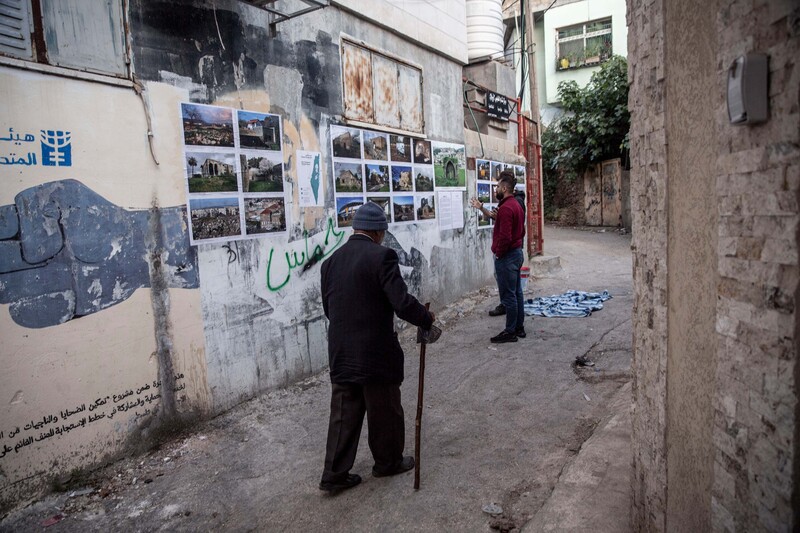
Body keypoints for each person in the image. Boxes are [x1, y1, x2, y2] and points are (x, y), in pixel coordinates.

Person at [319, 202, 436, 493]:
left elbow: (329, 308)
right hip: (375, 352)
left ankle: (333, 475)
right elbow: (400, 302)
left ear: (355, 229)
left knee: (343, 413)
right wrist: (425, 317)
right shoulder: (382, 257)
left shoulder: (330, 262)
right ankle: (388, 463)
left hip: (341, 351)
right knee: (384, 409)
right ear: (379, 233)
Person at [470, 171, 525, 343]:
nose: (495, 190)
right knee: (517, 293)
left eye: (497, 187)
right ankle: (518, 328)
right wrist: (481, 208)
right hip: (516, 254)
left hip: (508, 256)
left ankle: (510, 331)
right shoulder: (514, 204)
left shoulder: (507, 208)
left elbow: (505, 237)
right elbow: (514, 228)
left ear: (505, 188)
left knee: (509, 296)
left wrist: (499, 254)